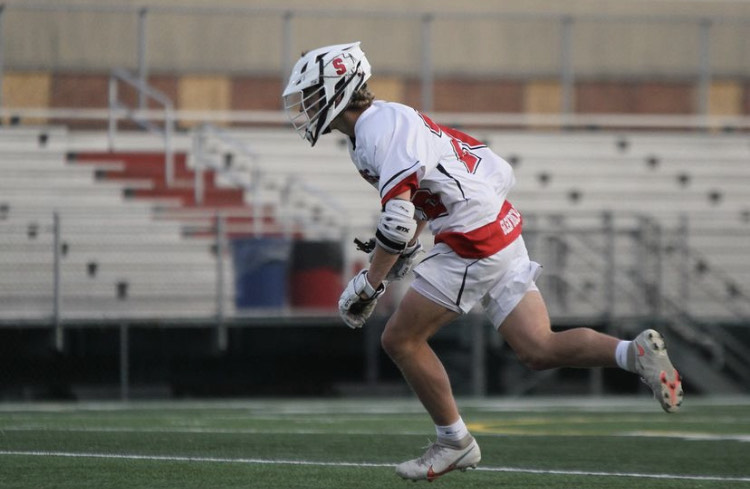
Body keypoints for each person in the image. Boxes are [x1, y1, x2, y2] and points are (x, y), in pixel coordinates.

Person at [282, 42, 684, 482]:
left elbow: (397, 221)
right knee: (538, 348)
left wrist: (370, 283)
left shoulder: (380, 127)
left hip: (473, 234)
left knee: (401, 340)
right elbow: (418, 205)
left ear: (338, 88)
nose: (305, 106)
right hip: (495, 224)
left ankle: (455, 442)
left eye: (312, 94)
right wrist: (405, 250)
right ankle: (634, 353)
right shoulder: (379, 127)